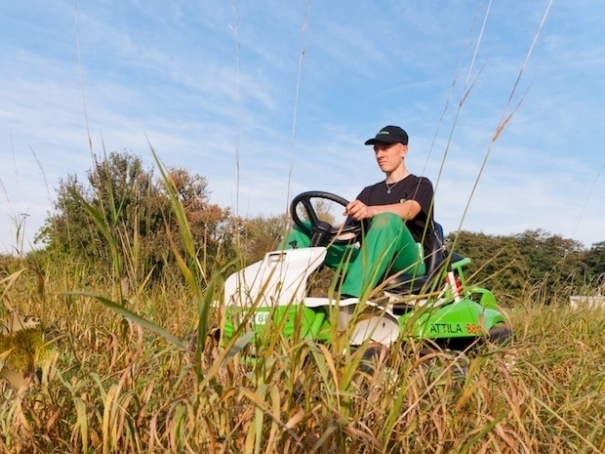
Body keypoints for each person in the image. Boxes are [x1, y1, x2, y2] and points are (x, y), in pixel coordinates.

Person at [284, 125, 435, 299]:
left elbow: (410, 209)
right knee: (304, 228)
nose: (379, 155)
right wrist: (323, 235)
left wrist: (371, 211)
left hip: (407, 263)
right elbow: (349, 234)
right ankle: (280, 296)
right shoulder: (368, 193)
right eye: (376, 150)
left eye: (385, 148)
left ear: (404, 150)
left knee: (387, 219)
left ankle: (350, 300)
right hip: (366, 261)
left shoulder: (420, 184)